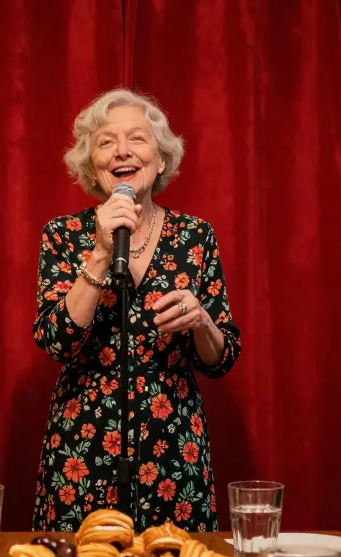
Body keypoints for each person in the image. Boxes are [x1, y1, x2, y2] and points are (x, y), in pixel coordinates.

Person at [32, 88, 242, 532]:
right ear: (92, 165)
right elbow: (55, 342)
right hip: (83, 447)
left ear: (161, 159)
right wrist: (101, 255)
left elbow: (221, 358)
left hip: (173, 443)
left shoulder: (196, 235)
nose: (122, 151)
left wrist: (201, 319)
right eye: (106, 142)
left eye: (137, 139)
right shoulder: (64, 235)